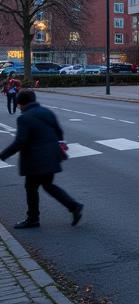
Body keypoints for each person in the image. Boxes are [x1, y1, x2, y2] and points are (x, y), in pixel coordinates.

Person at [1, 90, 83, 229]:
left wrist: (3, 155)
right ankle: (74, 206)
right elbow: (59, 132)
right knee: (48, 185)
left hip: (35, 159)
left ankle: (33, 219)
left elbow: (20, 141)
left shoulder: (24, 118)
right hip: (52, 155)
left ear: (21, 103)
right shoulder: (47, 112)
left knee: (31, 188)